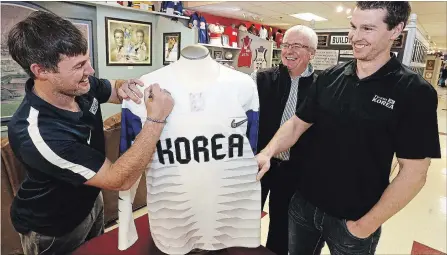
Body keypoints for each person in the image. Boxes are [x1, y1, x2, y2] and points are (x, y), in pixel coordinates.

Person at [256, 2, 441, 255]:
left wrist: (365, 226)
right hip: (303, 207)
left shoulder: (414, 92)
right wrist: (268, 152)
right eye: (353, 27)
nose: (355, 36)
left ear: (396, 30)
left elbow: (415, 173)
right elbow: (298, 123)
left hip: (354, 220)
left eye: (367, 28)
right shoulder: (331, 77)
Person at [6, 11, 174, 255]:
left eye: (87, 60)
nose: (92, 70)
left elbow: (114, 90)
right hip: (53, 227)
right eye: (79, 66)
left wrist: (125, 86)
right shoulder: (37, 133)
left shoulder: (80, 86)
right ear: (41, 70)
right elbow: (119, 179)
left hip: (90, 200)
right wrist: (156, 119)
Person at [250, 25, 318, 255]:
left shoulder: (321, 86)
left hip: (294, 170)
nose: (288, 50)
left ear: (312, 53)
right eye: (286, 44)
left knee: (281, 225)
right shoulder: (262, 79)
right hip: (259, 164)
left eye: (296, 46)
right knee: (246, 218)